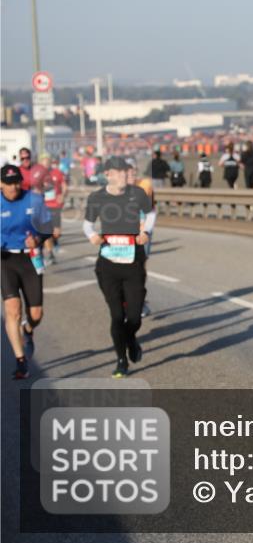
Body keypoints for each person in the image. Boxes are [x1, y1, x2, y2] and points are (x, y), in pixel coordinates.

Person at [84, 156, 155, 378]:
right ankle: (121, 360)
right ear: (108, 175)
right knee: (116, 316)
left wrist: (145, 232)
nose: (125, 174)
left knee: (134, 317)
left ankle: (131, 338)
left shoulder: (138, 194)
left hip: (133, 262)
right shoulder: (97, 197)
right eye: (120, 171)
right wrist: (92, 235)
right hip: (108, 265)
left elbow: (151, 214)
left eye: (126, 171)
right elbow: (87, 224)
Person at [1, 164, 49, 379]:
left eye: (17, 182)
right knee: (12, 309)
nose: (14, 187)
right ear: (1, 184)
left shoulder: (34, 200)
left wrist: (37, 238)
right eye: (9, 183)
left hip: (30, 259)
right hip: (5, 259)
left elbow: (48, 227)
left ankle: (28, 330)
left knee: (36, 314)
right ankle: (21, 361)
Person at [128, 163, 156, 318]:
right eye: (127, 173)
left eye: (133, 172)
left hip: (142, 232)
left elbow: (151, 212)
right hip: (124, 234)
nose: (130, 176)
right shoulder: (117, 189)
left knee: (140, 266)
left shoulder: (145, 186)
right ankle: (126, 302)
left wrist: (145, 231)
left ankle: (141, 300)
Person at [38, 155, 66, 264]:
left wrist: (63, 195)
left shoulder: (57, 172)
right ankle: (50, 254)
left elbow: (64, 185)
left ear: (50, 164)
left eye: (47, 164)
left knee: (56, 232)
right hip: (43, 206)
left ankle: (55, 241)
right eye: (43, 165)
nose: (45, 167)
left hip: (55, 206)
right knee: (46, 231)